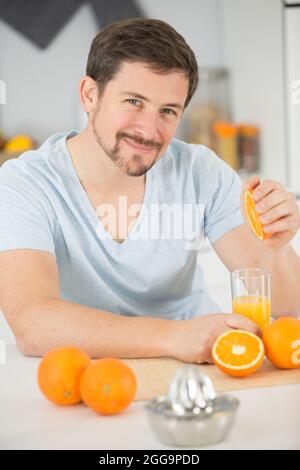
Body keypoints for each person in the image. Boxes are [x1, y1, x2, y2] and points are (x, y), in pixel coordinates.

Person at [0, 19, 299, 363]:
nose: (148, 130)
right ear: (89, 95)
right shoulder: (26, 184)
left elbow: (289, 305)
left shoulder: (200, 171)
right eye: (134, 102)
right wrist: (175, 336)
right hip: (91, 377)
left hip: (202, 368)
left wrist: (276, 248)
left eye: (168, 111)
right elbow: (33, 324)